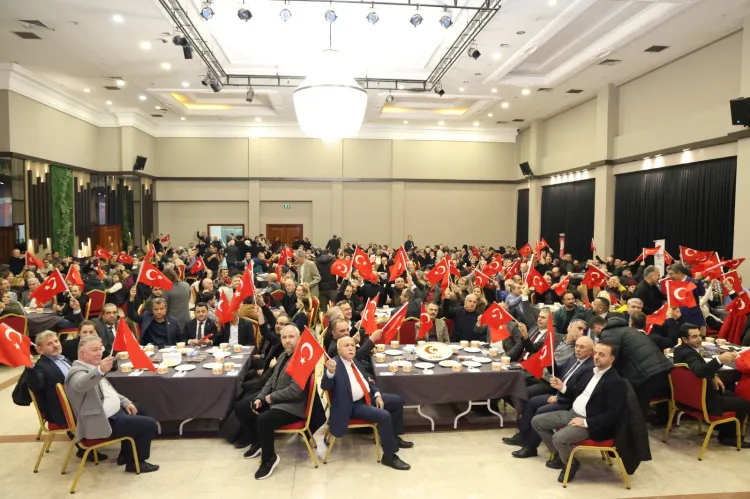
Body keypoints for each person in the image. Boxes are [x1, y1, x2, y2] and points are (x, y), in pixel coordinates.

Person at [531, 341, 626, 483]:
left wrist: (585, 422)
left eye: (602, 355)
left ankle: (571, 464)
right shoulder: (591, 372)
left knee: (559, 438)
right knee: (537, 421)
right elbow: (576, 392)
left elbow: (612, 415)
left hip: (592, 424)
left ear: (611, 359)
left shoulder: (615, 382)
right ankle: (562, 455)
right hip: (572, 413)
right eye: (596, 353)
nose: (597, 357)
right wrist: (562, 387)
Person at [65, 335, 159, 472]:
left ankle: (126, 455)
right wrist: (100, 370)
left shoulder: (91, 367)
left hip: (114, 414)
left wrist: (126, 402)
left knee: (139, 408)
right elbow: (80, 384)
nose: (99, 353)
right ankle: (135, 463)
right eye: (94, 350)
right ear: (82, 353)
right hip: (102, 422)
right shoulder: (77, 372)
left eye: (100, 349)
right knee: (149, 424)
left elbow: (108, 391)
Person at [322, 336, 413, 471]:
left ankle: (394, 437)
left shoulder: (354, 362)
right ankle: (389, 456)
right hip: (352, 405)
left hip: (368, 396)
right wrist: (330, 372)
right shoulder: (334, 365)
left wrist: (377, 395)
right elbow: (325, 385)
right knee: (384, 415)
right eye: (346, 346)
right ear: (339, 350)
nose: (351, 348)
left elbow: (366, 381)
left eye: (352, 345)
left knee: (397, 401)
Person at [234, 325, 309, 480]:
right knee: (242, 407)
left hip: (293, 406)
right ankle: (258, 441)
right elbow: (271, 380)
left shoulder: (302, 360)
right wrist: (261, 397)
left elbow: (295, 391)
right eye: (284, 337)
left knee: (263, 420)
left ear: (299, 338)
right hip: (277, 400)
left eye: (291, 337)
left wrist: (270, 398)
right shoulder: (283, 356)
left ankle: (269, 458)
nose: (287, 341)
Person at [506, 336, 595, 459]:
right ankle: (522, 435)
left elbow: (578, 392)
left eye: (582, 347)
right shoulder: (573, 358)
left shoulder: (590, 368)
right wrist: (550, 361)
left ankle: (531, 447)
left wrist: (559, 397)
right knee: (532, 402)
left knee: (541, 410)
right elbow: (558, 372)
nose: (578, 349)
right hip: (560, 394)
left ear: (591, 350)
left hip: (569, 402)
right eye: (576, 346)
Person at [673, 323, 750, 447]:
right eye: (694, 337)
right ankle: (729, 438)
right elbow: (699, 370)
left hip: (689, 398)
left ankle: (723, 427)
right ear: (685, 339)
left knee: (730, 393)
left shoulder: (679, 350)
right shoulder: (690, 354)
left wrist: (714, 375)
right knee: (744, 403)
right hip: (703, 401)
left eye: (700, 335)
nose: (699, 339)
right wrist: (719, 359)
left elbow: (698, 369)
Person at [599, 315, 673, 418]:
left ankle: (635, 426)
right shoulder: (630, 330)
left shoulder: (608, 333)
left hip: (643, 372)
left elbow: (611, 358)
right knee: (642, 403)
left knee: (636, 407)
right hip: (660, 366)